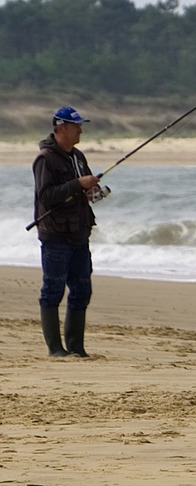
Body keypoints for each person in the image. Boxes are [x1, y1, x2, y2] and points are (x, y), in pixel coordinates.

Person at [32, 106, 103, 358]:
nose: (80, 130)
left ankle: (76, 346)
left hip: (79, 233)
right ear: (61, 128)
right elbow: (47, 196)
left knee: (83, 289)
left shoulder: (78, 156)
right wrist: (77, 184)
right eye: (76, 126)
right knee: (53, 289)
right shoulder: (45, 159)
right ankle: (55, 348)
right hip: (55, 235)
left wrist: (93, 190)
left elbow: (82, 187)